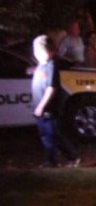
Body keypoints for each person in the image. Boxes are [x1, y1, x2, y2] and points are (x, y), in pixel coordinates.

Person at [30, 34, 80, 167]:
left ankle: (72, 157)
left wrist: (41, 106)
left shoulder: (51, 66)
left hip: (48, 109)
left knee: (54, 135)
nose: (38, 54)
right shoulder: (42, 65)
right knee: (47, 136)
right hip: (42, 110)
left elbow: (51, 88)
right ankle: (52, 161)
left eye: (41, 51)